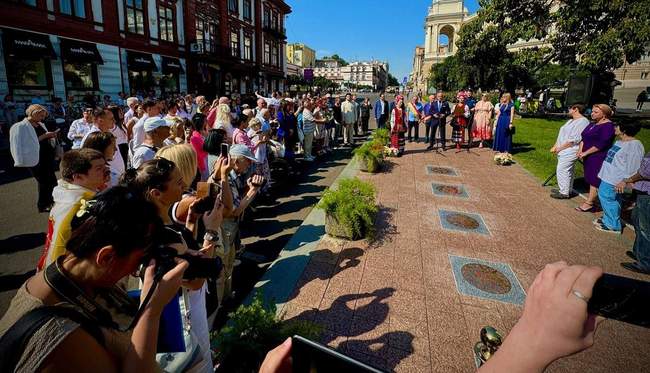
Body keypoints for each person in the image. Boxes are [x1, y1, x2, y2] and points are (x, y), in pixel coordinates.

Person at [0, 186, 187, 373]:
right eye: (141, 257)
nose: (136, 270)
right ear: (106, 257)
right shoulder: (63, 339)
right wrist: (151, 310)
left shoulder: (66, 273)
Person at [122, 158, 222, 371]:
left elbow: (186, 250)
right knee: (197, 363)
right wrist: (212, 231)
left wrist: (192, 220)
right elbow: (195, 281)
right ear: (156, 194)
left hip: (169, 312)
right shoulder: (163, 237)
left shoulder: (155, 226)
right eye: (178, 183)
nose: (185, 187)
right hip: (183, 316)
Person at [36, 149, 108, 270]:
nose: (106, 171)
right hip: (67, 273)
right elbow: (59, 245)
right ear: (78, 177)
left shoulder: (68, 193)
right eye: (99, 168)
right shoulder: (79, 204)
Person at [220, 145, 264, 306]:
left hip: (230, 229)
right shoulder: (226, 179)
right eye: (248, 161)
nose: (249, 165)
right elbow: (234, 211)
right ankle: (222, 301)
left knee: (229, 263)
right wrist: (253, 190)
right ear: (238, 161)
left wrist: (247, 188)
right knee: (225, 264)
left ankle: (226, 295)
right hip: (226, 229)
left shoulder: (234, 176)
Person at [593, 122, 644, 234]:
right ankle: (609, 219)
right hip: (608, 175)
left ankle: (613, 225)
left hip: (616, 179)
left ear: (624, 130)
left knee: (608, 199)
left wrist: (625, 181)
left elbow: (634, 166)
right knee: (610, 198)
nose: (615, 128)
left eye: (617, 126)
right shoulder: (619, 141)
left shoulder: (634, 145)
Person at [9, 104, 58, 212]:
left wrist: (51, 136)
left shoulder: (40, 124)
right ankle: (43, 205)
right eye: (41, 115)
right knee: (43, 182)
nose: (42, 118)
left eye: (43, 116)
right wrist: (45, 136)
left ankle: (52, 202)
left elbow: (43, 138)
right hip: (34, 158)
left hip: (46, 157)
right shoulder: (19, 126)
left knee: (52, 180)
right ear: (34, 113)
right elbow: (17, 144)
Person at [575, 104, 616, 212]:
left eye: (596, 112)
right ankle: (596, 200)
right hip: (587, 155)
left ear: (604, 114)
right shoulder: (593, 124)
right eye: (592, 111)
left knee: (594, 180)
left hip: (598, 157)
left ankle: (589, 202)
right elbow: (583, 137)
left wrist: (586, 153)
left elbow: (601, 144)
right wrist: (580, 150)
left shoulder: (608, 126)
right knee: (589, 178)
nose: (592, 113)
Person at [550, 104, 590, 199]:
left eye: (570, 108)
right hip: (563, 149)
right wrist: (556, 145)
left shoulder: (583, 121)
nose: (568, 110)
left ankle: (564, 192)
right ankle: (566, 189)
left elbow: (574, 139)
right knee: (568, 170)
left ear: (575, 109)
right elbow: (562, 134)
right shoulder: (570, 120)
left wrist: (560, 148)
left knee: (562, 169)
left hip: (571, 149)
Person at [620, 151, 650, 274]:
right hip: (643, 191)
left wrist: (629, 180)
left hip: (647, 194)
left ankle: (645, 262)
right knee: (637, 220)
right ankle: (639, 252)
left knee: (645, 228)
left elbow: (646, 172)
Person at [82, 108, 125, 183]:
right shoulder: (93, 138)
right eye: (111, 119)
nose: (114, 121)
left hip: (116, 179)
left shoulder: (107, 133)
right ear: (100, 120)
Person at [107, 105, 129, 170]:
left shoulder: (121, 124)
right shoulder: (113, 126)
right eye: (120, 112)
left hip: (124, 146)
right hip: (119, 147)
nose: (122, 113)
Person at [189, 113, 209, 180]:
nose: (207, 122)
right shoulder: (195, 137)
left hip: (207, 160)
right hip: (202, 163)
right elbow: (203, 150)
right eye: (205, 121)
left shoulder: (204, 132)